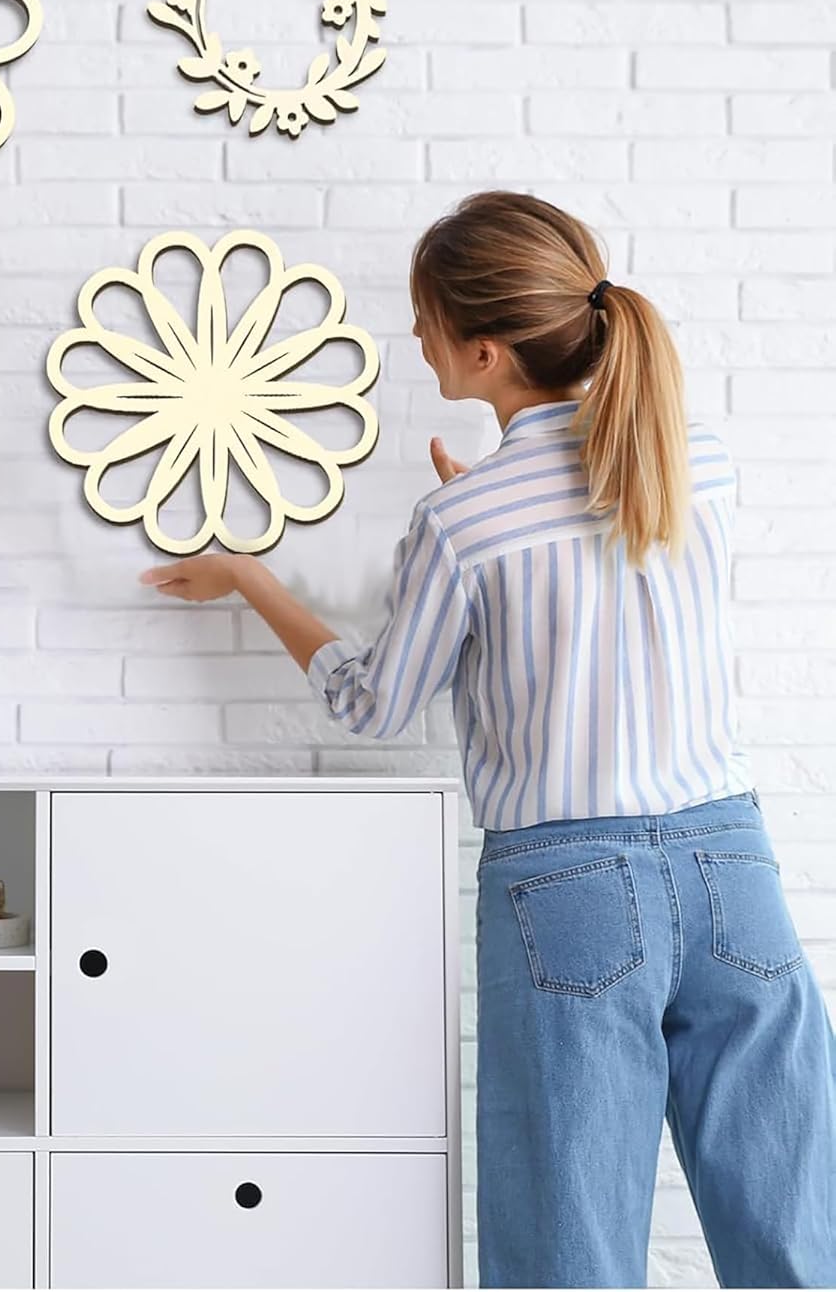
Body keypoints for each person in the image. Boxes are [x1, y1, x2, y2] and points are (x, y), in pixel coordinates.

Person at [142, 190, 836, 1288]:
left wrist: (251, 579)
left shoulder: (465, 524)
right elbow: (602, 574)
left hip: (566, 890)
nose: (416, 338)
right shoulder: (699, 466)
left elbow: (375, 705)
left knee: (568, 1252)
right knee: (798, 1237)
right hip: (732, 866)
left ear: (484, 351)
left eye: (425, 320)